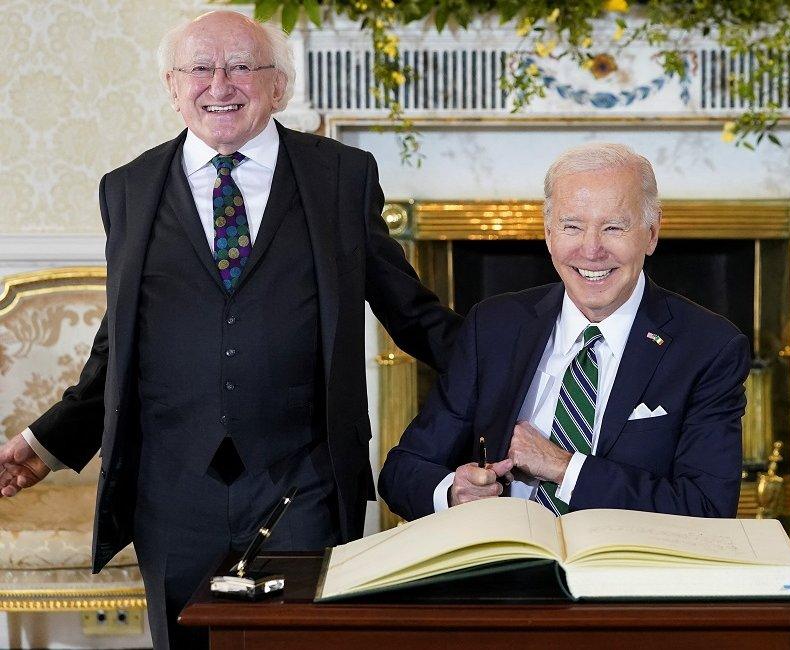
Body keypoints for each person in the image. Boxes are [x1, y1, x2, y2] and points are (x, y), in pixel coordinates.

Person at [0, 10, 460, 650]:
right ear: (171, 84)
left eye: (243, 66)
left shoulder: (341, 179)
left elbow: (408, 309)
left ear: (280, 86)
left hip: (302, 485)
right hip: (172, 494)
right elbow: (119, 350)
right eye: (199, 68)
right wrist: (41, 445)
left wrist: (517, 366)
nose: (220, 83)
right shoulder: (127, 190)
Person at [379, 142, 750, 522]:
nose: (591, 250)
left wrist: (562, 467)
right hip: (506, 563)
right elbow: (403, 472)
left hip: (630, 570)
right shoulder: (494, 326)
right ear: (549, 233)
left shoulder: (709, 347)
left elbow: (706, 508)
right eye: (572, 226)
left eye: (613, 227)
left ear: (651, 234)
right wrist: (455, 494)